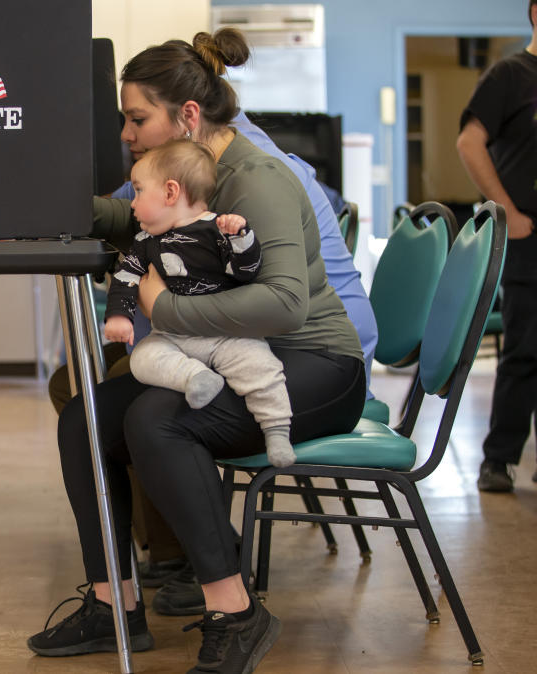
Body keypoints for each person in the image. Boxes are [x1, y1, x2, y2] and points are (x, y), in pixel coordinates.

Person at [27, 29, 365, 674]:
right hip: (234, 352)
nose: (126, 135)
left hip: (316, 363)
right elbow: (132, 219)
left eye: (137, 119)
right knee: (86, 416)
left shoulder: (255, 180)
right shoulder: (185, 180)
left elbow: (286, 304)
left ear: (186, 116)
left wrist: (164, 307)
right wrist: (45, 205)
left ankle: (235, 612)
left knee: (157, 421)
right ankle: (112, 603)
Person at [105, 138, 294, 467]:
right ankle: (194, 378)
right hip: (173, 339)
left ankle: (276, 429)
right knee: (143, 358)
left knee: (260, 364)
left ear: (170, 192)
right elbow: (125, 279)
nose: (132, 204)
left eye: (138, 191)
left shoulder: (216, 230)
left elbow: (247, 272)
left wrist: (242, 239)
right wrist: (120, 316)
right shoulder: (145, 242)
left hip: (224, 335)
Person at [457, 0, 537, 493]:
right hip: (530, 239)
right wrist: (509, 213)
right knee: (526, 351)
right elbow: (469, 143)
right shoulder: (512, 73)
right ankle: (499, 460)